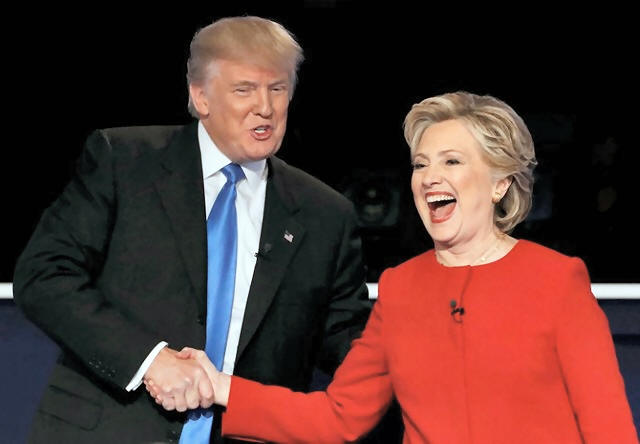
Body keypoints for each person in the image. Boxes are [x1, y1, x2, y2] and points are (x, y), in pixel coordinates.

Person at [162, 92, 639, 443]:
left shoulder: (557, 280)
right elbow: (337, 416)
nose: (430, 177)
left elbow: (609, 430)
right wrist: (217, 386)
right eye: (421, 164)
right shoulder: (402, 287)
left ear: (500, 184)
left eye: (452, 161)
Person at [13, 16, 370, 443]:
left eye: (277, 88)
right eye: (244, 89)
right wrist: (149, 360)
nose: (265, 107)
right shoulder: (124, 162)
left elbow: (348, 341)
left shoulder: (324, 214)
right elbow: (45, 276)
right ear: (200, 96)